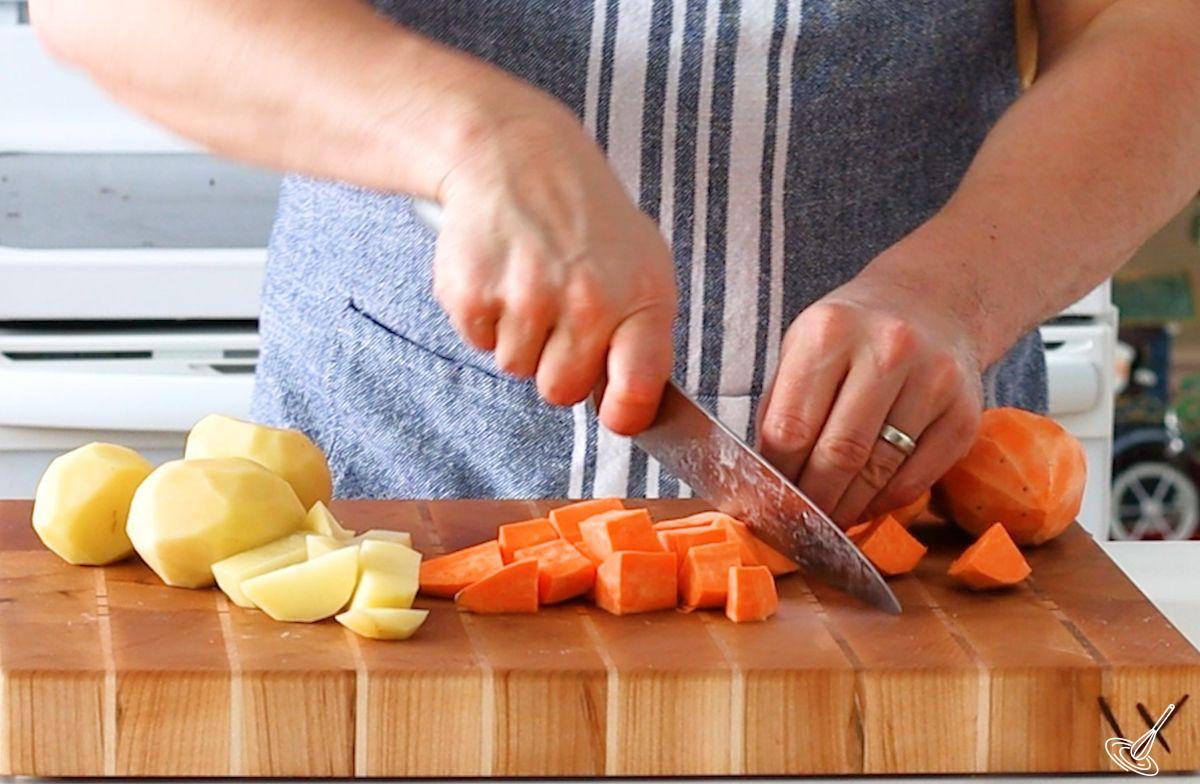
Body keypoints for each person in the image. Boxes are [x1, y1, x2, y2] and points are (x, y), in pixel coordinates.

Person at [31, 0, 1200, 529]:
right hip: (390, 502)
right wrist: (472, 137)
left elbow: (1160, 27)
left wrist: (956, 288)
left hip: (910, 502)